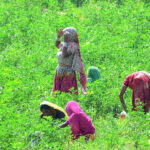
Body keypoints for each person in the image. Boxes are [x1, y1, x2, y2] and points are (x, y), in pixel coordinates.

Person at [52, 27, 87, 95]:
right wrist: (58, 37)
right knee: (58, 93)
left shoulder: (74, 46)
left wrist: (65, 41)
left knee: (67, 93)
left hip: (67, 73)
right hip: (59, 71)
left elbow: (65, 54)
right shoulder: (65, 44)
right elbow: (57, 45)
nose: (64, 35)